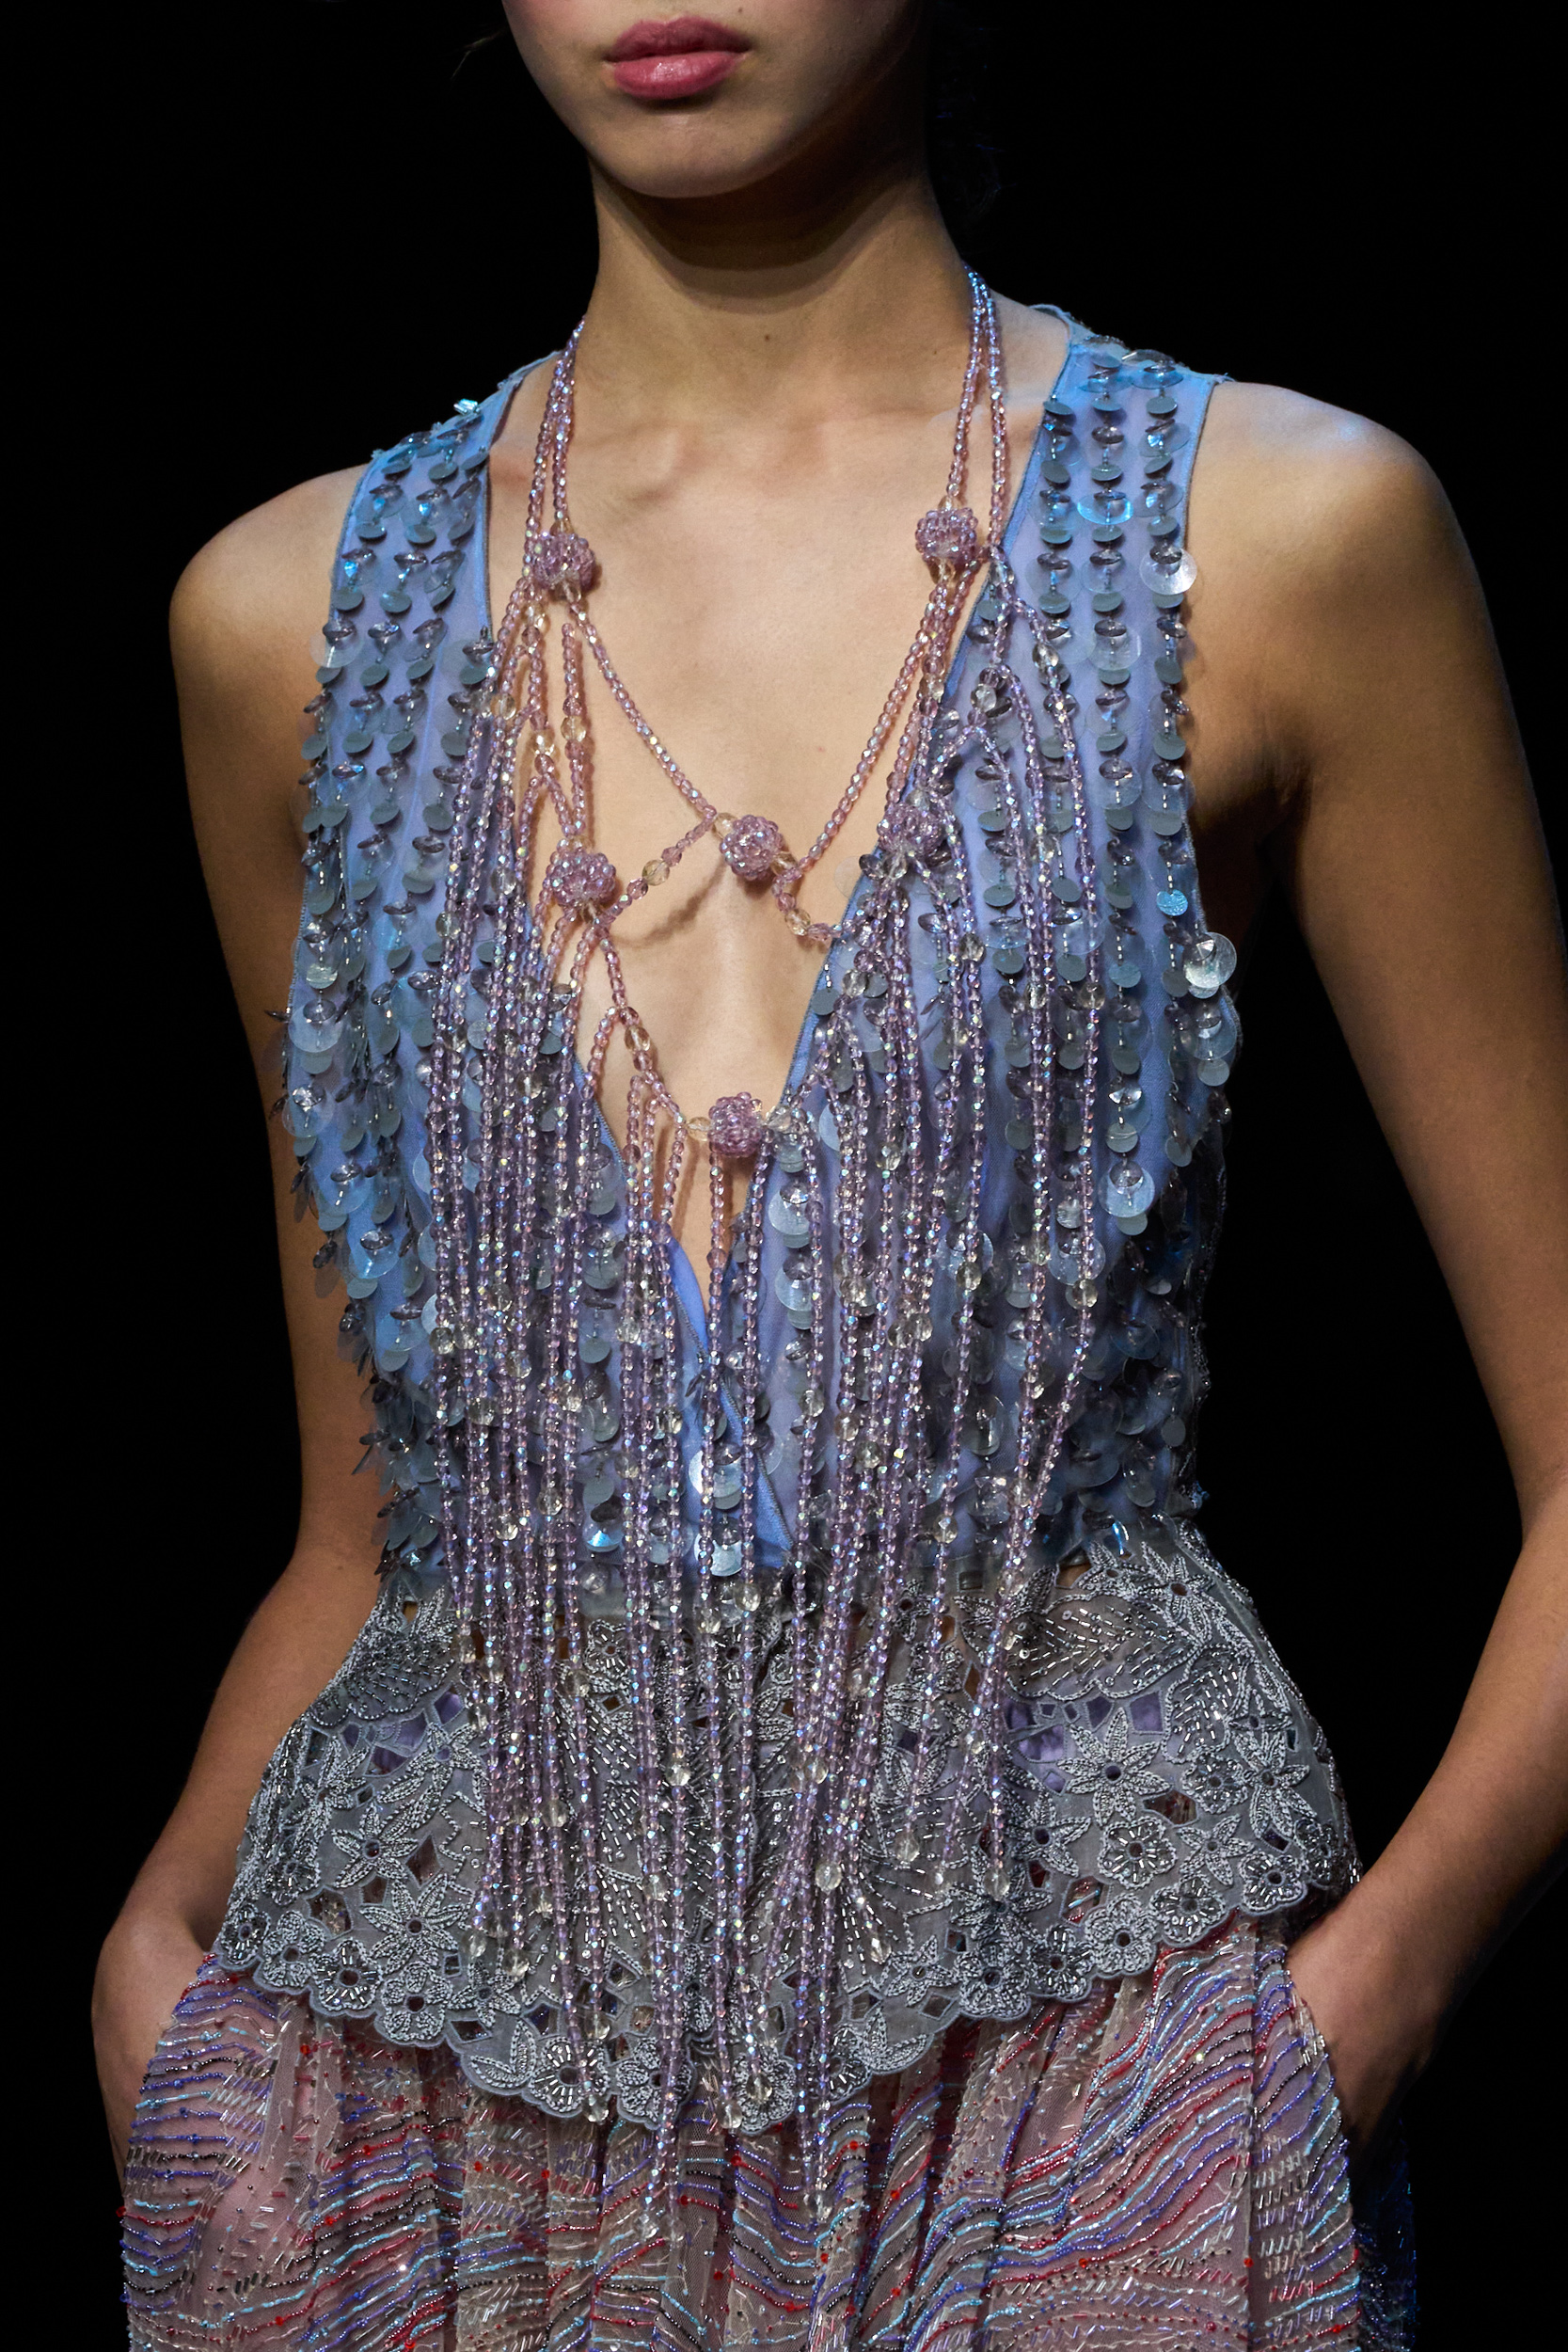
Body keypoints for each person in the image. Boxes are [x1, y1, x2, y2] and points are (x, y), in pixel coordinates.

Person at [98, 5, 1565, 2344]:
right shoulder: (286, 617)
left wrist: (1357, 2012)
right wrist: (156, 1964)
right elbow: (371, 1524)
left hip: (1089, 2095)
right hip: (413, 2129)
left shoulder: (1277, 532)